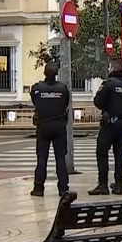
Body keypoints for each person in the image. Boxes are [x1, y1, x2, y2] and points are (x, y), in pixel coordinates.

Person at [90, 58, 122, 196]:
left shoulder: (108, 84)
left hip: (110, 123)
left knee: (102, 152)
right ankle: (118, 185)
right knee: (120, 154)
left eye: (109, 67)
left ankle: (103, 184)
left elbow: (98, 102)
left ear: (112, 68)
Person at [30, 62, 71, 197]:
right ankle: (63, 188)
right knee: (60, 158)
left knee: (42, 158)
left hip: (43, 126)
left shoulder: (37, 88)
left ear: (44, 73)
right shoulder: (63, 89)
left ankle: (38, 188)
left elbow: (35, 101)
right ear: (57, 73)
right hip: (59, 126)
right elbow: (66, 103)